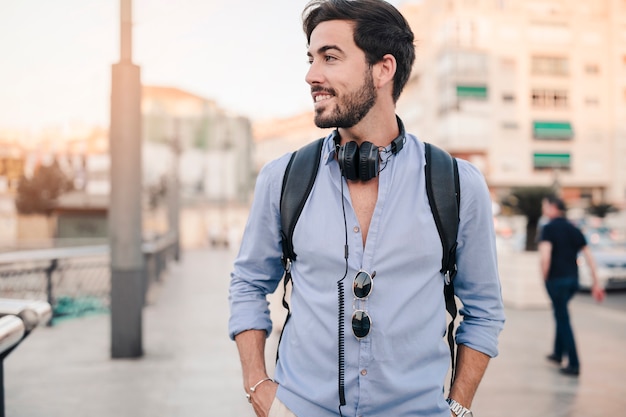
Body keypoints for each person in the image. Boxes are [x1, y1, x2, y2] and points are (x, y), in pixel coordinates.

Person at [228, 1, 505, 416]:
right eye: (311, 58)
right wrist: (258, 386)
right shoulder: (281, 178)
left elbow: (483, 310)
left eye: (330, 57)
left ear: (383, 69)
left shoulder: (458, 184)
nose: (311, 75)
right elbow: (248, 283)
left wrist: (458, 407)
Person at [538, 195, 605, 377]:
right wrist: (596, 282)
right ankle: (558, 354)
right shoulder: (574, 229)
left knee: (563, 318)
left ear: (552, 207)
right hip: (573, 281)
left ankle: (574, 364)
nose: (544, 209)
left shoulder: (548, 228)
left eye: (545, 205)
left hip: (556, 280)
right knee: (561, 313)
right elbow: (589, 256)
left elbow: (546, 256)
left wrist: (544, 278)